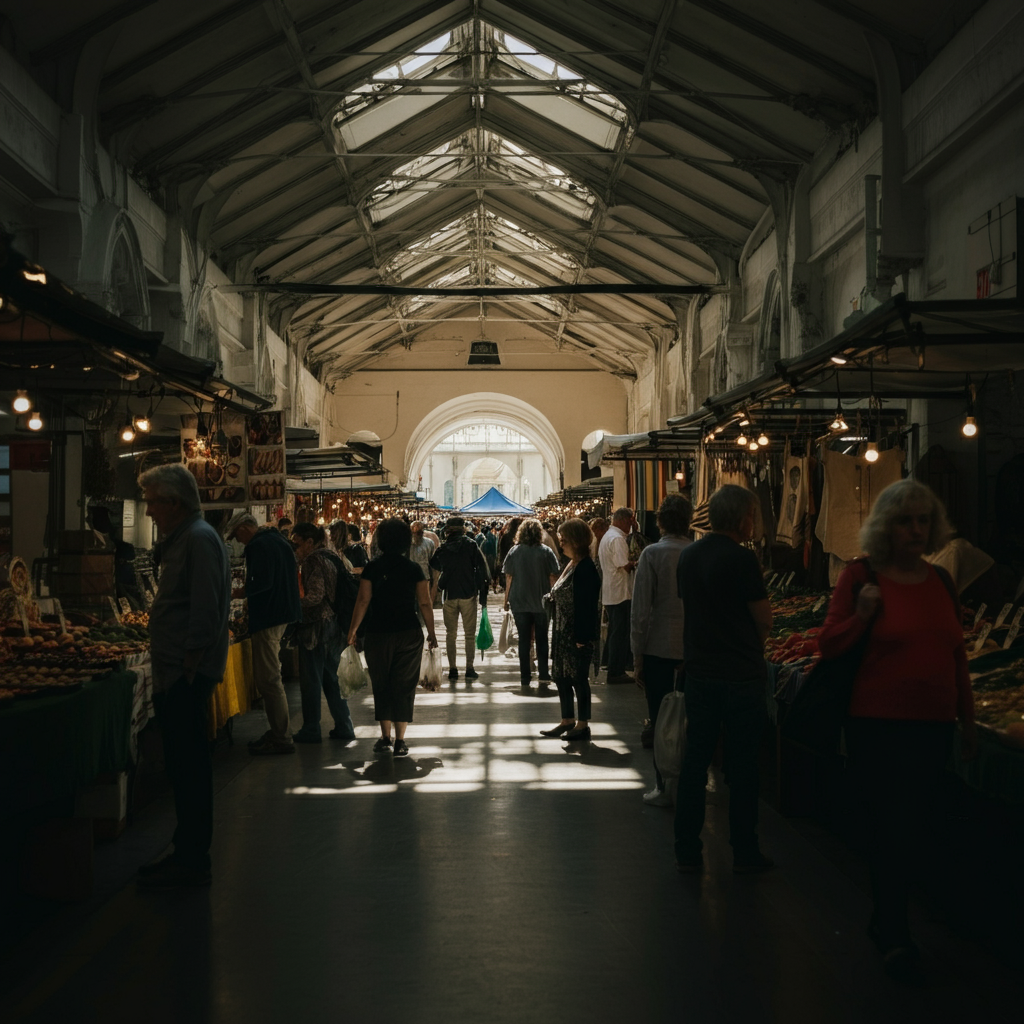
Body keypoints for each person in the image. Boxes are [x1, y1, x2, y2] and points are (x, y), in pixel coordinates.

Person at [817, 478, 976, 980]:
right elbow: (829, 644)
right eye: (905, 520)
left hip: (933, 727)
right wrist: (861, 616)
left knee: (918, 826)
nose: (915, 529)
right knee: (893, 828)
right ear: (887, 526)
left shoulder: (940, 582)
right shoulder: (862, 578)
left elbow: (957, 656)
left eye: (923, 520)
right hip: (879, 726)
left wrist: (967, 722)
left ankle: (894, 920)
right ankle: (893, 930)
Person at [136, 465, 229, 888]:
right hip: (176, 669)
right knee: (182, 765)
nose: (149, 509)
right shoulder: (185, 538)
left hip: (184, 673)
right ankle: (186, 850)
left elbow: (205, 610)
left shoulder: (197, 539)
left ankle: (192, 861)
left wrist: (188, 670)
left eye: (153, 501)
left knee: (189, 767)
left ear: (174, 502)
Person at [674, 485, 774, 875]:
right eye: (752, 514)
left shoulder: (688, 556)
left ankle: (686, 848)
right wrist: (750, 645)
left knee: (695, 762)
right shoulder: (743, 560)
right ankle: (744, 849)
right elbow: (763, 618)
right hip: (740, 677)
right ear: (742, 518)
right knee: (743, 766)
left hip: (700, 671)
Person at [347, 518, 437, 757]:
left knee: (382, 683)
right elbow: (425, 602)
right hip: (409, 633)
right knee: (404, 685)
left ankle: (385, 736)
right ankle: (400, 741)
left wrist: (353, 629)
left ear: (381, 540)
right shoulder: (414, 569)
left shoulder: (372, 568)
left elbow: (363, 601)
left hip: (379, 633)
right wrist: (431, 632)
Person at [631, 494, 692, 805]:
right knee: (691, 718)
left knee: (659, 716)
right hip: (693, 649)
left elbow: (641, 609)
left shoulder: (652, 555)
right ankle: (690, 786)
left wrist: (637, 655)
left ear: (660, 522)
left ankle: (663, 786)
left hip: (658, 648)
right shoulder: (697, 553)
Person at [224, 512, 301, 755]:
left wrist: (236, 593)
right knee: (271, 677)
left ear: (245, 528)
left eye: (237, 535)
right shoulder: (277, 540)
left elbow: (262, 583)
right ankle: (279, 732)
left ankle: (281, 737)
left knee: (269, 679)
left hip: (269, 616)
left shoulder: (258, 546)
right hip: (282, 613)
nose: (238, 540)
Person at [291, 523, 355, 743]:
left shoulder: (313, 560)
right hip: (334, 624)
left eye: (297, 544)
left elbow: (316, 596)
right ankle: (344, 725)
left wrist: (293, 605)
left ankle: (311, 728)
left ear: (309, 542)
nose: (295, 549)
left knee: (311, 679)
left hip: (316, 626)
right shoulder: (332, 555)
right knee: (331, 678)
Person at [540, 518, 601, 741]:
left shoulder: (586, 568)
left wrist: (582, 637)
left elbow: (587, 605)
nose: (561, 543)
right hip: (562, 632)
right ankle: (567, 720)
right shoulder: (572, 564)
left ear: (575, 541)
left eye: (564, 539)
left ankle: (583, 724)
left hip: (576, 633)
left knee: (578, 678)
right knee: (562, 677)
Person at [429, 516, 490, 681]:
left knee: (451, 634)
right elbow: (482, 570)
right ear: (463, 529)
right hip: (468, 595)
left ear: (448, 530)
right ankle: (470, 669)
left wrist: (435, 592)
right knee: (469, 634)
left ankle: (453, 669)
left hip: (449, 596)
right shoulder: (471, 546)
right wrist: (481, 591)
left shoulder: (443, 548)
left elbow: (434, 572)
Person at [502, 517, 560, 689]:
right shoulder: (546, 551)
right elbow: (553, 577)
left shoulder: (514, 551)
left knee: (524, 640)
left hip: (519, 601)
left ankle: (525, 676)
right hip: (542, 602)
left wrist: (506, 601)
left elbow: (509, 577)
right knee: (542, 638)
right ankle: (543, 674)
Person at [598, 507, 637, 683]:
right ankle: (616, 671)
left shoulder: (608, 536)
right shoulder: (617, 539)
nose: (632, 525)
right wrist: (638, 560)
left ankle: (611, 665)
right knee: (619, 633)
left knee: (615, 630)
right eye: (630, 522)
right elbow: (624, 565)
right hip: (620, 592)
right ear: (622, 520)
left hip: (611, 591)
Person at [408, 520, 436, 589]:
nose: (415, 535)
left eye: (418, 533)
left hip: (424, 576)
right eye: (413, 533)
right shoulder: (406, 544)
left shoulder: (429, 543)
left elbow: (431, 559)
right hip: (410, 575)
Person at [480, 525, 499, 590]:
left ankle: (489, 582)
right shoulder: (492, 537)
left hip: (487, 555)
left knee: (489, 569)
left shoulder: (485, 537)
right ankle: (493, 583)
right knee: (492, 570)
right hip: (492, 555)